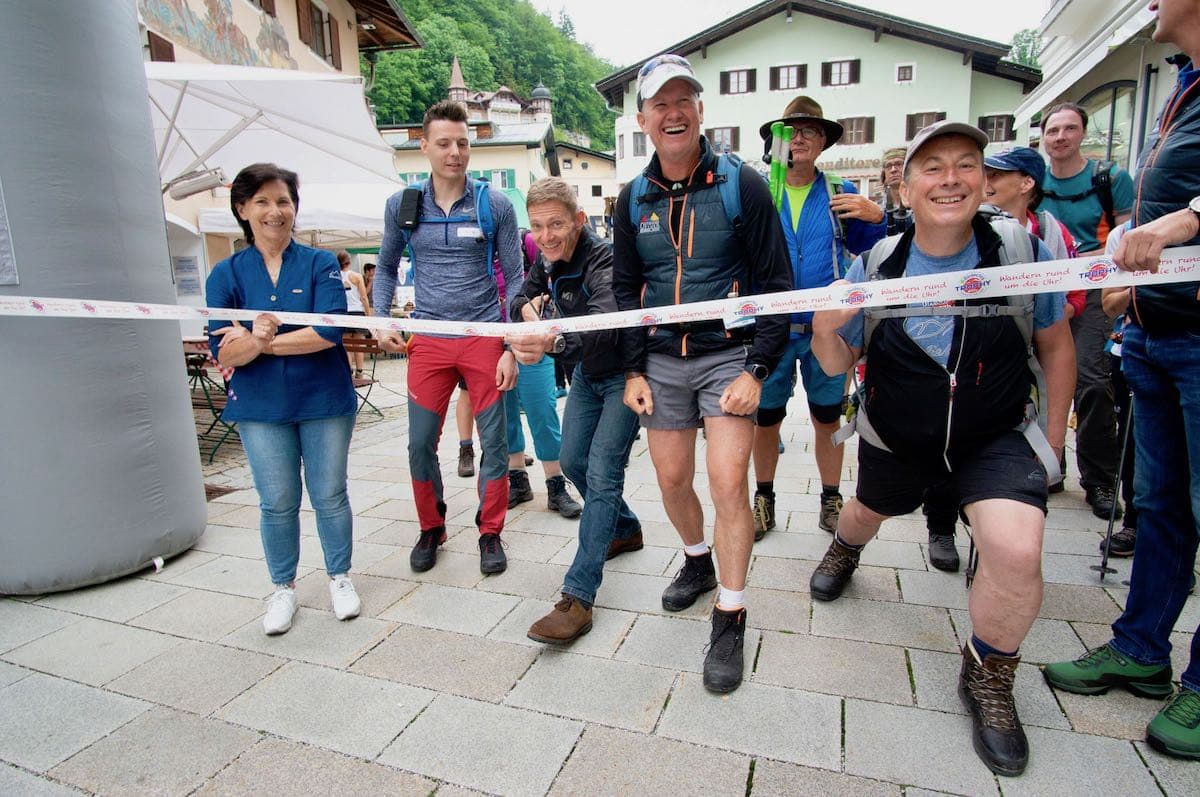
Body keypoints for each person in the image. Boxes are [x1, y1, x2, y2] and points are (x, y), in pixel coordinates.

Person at [808, 121, 1076, 775]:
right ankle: (846, 548)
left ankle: (987, 672)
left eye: (965, 164)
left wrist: (1056, 440)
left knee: (1016, 548)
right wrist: (822, 329)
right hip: (897, 435)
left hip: (995, 437)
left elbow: (1058, 346)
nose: (949, 178)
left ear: (985, 180)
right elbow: (838, 358)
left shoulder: (1020, 250)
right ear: (906, 185)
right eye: (932, 167)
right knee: (863, 513)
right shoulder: (874, 265)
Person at [1044, 2, 1200, 758]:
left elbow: (1176, 215)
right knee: (1163, 506)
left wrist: (1174, 228)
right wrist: (1133, 283)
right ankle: (1142, 648)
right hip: (1158, 332)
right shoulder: (1184, 87)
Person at [611, 54, 792, 693]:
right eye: (660, 103)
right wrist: (633, 368)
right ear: (643, 120)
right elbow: (627, 290)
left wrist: (760, 369)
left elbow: (776, 286)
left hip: (728, 358)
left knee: (726, 483)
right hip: (661, 358)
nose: (673, 112)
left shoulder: (742, 184)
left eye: (683, 99)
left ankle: (732, 611)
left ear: (700, 111)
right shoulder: (632, 199)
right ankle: (697, 562)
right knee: (670, 478)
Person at [205, 163, 361, 635]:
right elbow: (223, 348)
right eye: (263, 202)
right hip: (260, 407)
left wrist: (261, 342)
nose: (276, 211)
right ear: (242, 209)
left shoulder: (319, 264)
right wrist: (249, 341)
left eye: (284, 201)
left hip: (324, 399)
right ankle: (283, 588)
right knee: (276, 500)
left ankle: (339, 577)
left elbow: (331, 331)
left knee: (330, 494)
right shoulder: (226, 274)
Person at [372, 100, 522, 575]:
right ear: (424, 147)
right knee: (419, 443)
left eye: (462, 143)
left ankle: (490, 532)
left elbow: (517, 278)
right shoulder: (403, 204)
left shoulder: (494, 204)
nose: (454, 152)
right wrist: (381, 318)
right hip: (429, 339)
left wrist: (510, 345)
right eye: (444, 143)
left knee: (493, 442)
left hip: (483, 335)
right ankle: (431, 526)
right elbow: (386, 267)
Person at [505, 177, 643, 642]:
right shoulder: (544, 260)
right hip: (586, 375)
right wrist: (526, 313)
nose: (546, 236)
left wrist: (551, 340)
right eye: (538, 226)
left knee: (602, 472)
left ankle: (578, 597)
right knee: (571, 461)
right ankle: (624, 527)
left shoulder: (604, 257)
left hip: (624, 373)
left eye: (557, 225)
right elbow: (518, 297)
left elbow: (603, 325)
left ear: (579, 221)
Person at [751, 96, 886, 540]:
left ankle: (831, 497)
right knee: (765, 419)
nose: (800, 138)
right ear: (775, 141)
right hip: (771, 328)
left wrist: (879, 218)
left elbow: (875, 255)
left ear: (824, 141)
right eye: (790, 130)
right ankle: (764, 499)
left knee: (827, 417)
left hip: (824, 330)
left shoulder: (839, 191)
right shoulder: (758, 192)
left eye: (811, 130)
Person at [1040, 101, 1135, 519]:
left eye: (1068, 129)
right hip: (1045, 292)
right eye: (1052, 130)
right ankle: (1047, 465)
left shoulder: (1109, 178)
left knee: (1093, 380)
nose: (1060, 137)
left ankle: (1099, 478)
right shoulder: (1031, 180)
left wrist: (1080, 259)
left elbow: (1127, 235)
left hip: (1095, 291)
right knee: (1037, 378)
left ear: (1082, 133)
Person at [336, 250, 371, 377]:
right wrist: (368, 313)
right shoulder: (356, 276)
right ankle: (360, 371)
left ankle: (349, 370)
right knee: (359, 345)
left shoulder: (335, 276)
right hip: (357, 312)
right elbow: (363, 297)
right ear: (349, 262)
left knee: (347, 346)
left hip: (343, 312)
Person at [877, 146, 910, 235]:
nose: (893, 170)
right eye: (888, 166)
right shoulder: (877, 210)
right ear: (884, 174)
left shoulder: (922, 206)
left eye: (899, 164)